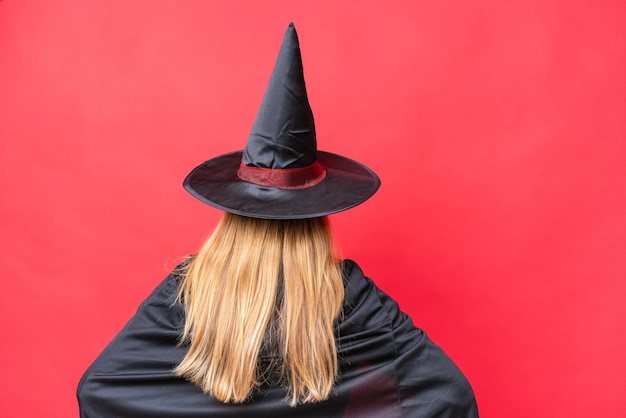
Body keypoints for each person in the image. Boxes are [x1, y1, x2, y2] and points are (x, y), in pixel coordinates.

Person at [77, 23, 479, 417]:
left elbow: (99, 389)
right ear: (317, 213)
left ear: (234, 211)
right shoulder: (348, 295)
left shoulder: (187, 289)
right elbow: (447, 396)